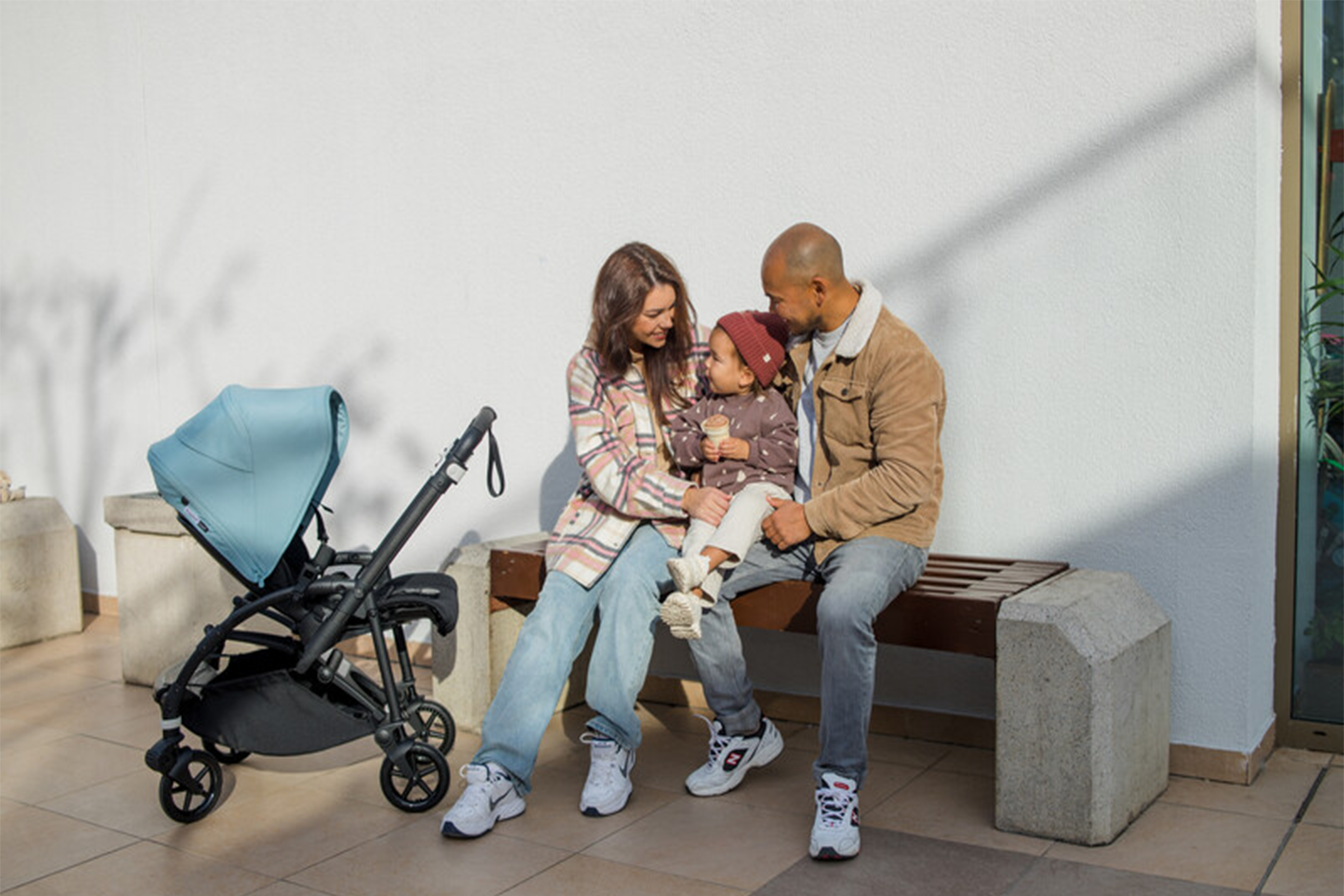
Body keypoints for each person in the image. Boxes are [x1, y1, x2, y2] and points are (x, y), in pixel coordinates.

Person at [440, 242, 730, 839]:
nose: (666, 323)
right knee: (553, 619)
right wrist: (683, 492)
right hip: (602, 518)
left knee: (629, 592)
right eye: (653, 314)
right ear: (618, 312)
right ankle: (498, 773)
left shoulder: (695, 351)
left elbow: (745, 389)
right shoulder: (587, 368)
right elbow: (606, 473)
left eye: (672, 308)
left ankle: (611, 741)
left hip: (670, 528)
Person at [682, 223, 946, 861]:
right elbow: (725, 365)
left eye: (776, 298)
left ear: (819, 288)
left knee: (842, 608)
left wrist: (813, 516)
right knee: (696, 583)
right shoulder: (795, 346)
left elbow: (909, 479)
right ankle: (743, 728)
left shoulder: (900, 357)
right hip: (794, 522)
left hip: (881, 531)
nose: (769, 311)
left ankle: (838, 783)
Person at [660, 310, 798, 640]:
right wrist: (699, 446)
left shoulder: (770, 404)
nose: (705, 365)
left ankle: (702, 564)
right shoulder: (708, 405)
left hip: (763, 494)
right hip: (721, 499)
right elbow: (677, 439)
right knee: (700, 528)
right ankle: (692, 603)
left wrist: (748, 450)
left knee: (747, 503)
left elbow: (789, 449)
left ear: (746, 375)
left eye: (715, 359)